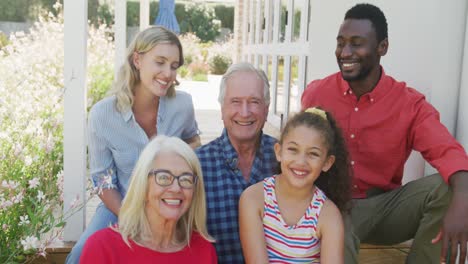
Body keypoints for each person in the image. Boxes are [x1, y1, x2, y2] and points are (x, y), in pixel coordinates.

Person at [301, 3, 468, 264]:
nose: (345, 52)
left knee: (447, 188)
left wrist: (464, 202)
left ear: (383, 47)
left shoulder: (408, 104)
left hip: (381, 209)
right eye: (341, 42)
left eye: (357, 43)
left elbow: (447, 151)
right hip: (330, 204)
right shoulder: (317, 94)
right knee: (337, 226)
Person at [66, 26, 201, 263]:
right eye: (160, 62)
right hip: (121, 206)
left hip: (170, 202)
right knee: (79, 254)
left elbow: (193, 139)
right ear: (137, 60)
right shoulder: (102, 114)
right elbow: (102, 179)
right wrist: (131, 218)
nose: (168, 73)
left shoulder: (183, 105)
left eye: (174, 65)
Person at [239, 108, 352, 263]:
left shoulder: (328, 215)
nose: (301, 162)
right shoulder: (254, 198)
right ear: (279, 152)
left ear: (327, 163)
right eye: (293, 149)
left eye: (313, 154)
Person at [80, 135, 217, 263]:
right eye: (163, 177)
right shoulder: (102, 247)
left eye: (186, 179)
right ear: (143, 185)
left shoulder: (203, 250)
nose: (176, 188)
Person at [196, 62, 279, 263]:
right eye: (235, 102)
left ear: (266, 109)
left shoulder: (286, 160)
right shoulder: (196, 166)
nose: (244, 112)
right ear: (222, 108)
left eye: (254, 102)